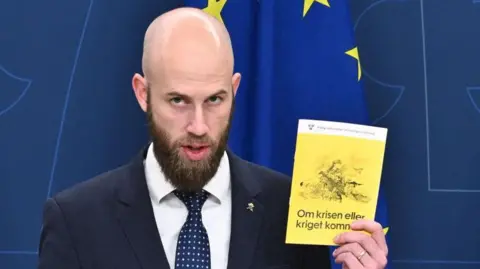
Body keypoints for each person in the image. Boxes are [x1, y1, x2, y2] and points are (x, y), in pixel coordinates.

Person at [37, 7, 388, 269]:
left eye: (215, 100)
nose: (199, 126)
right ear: (143, 93)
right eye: (178, 101)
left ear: (234, 90)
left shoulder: (288, 214)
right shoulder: (77, 221)